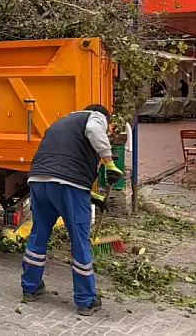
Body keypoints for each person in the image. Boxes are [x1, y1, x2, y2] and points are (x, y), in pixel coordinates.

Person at [20, 105, 122, 316]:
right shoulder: (95, 118)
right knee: (79, 240)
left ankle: (30, 287)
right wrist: (109, 162)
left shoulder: (59, 123)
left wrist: (93, 197)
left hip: (39, 180)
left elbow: (62, 160)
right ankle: (86, 300)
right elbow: (94, 131)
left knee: (39, 233)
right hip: (68, 184)